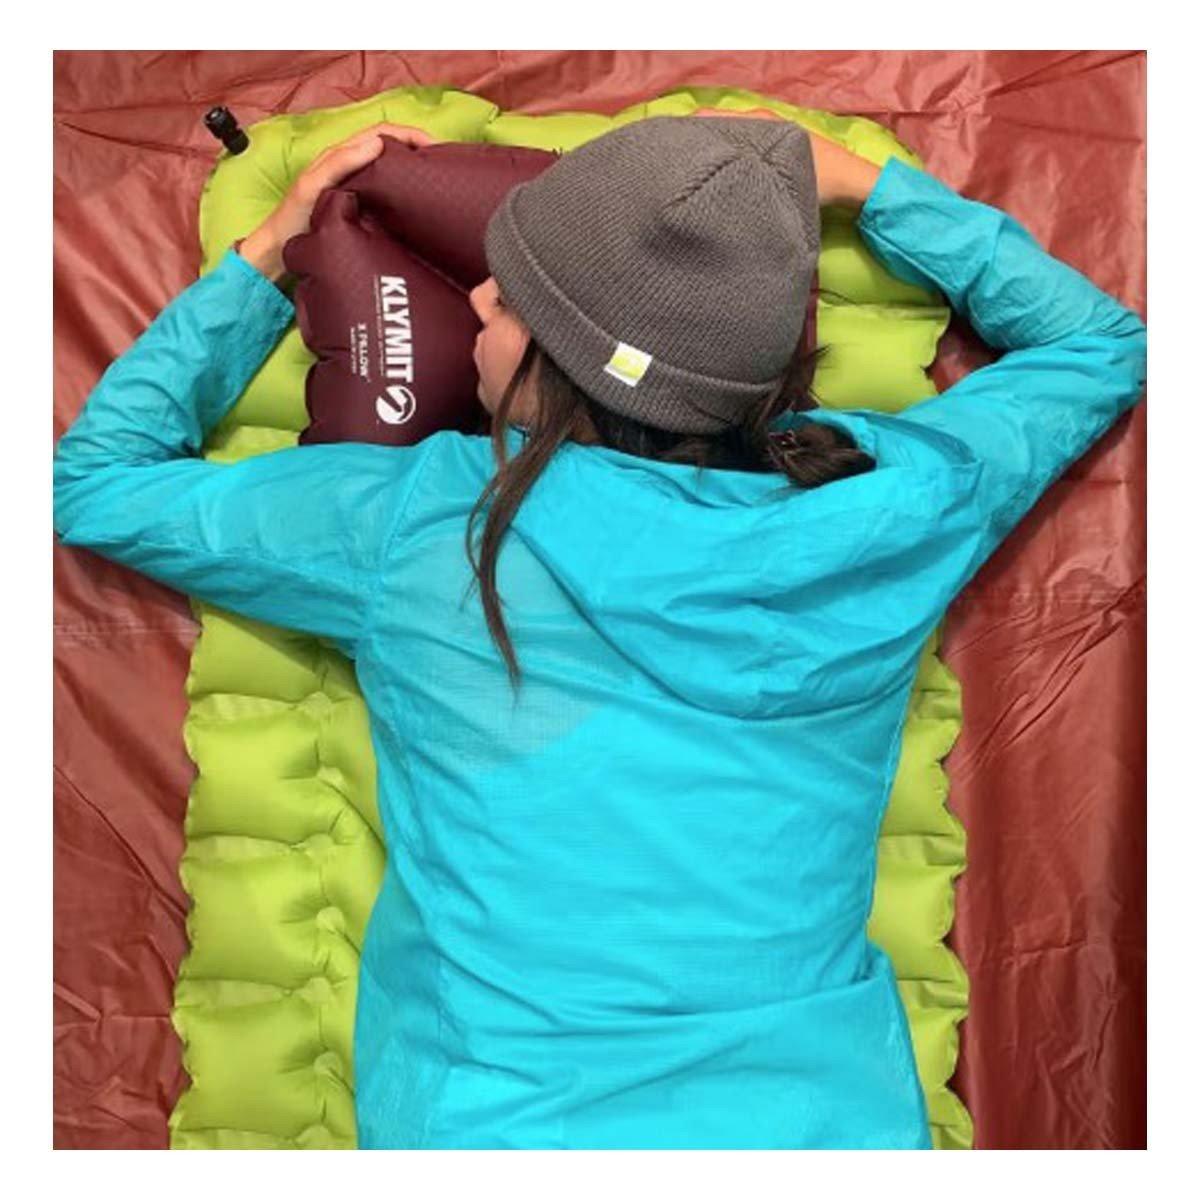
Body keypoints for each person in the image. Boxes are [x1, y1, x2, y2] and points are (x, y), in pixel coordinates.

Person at [53, 111, 1147, 1150]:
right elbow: (1099, 344)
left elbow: (95, 484)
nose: (478, 296)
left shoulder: (422, 523)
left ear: (570, 366)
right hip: (826, 1127)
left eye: (514, 301)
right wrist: (865, 187)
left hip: (500, 1131)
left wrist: (268, 251)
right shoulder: (893, 501)